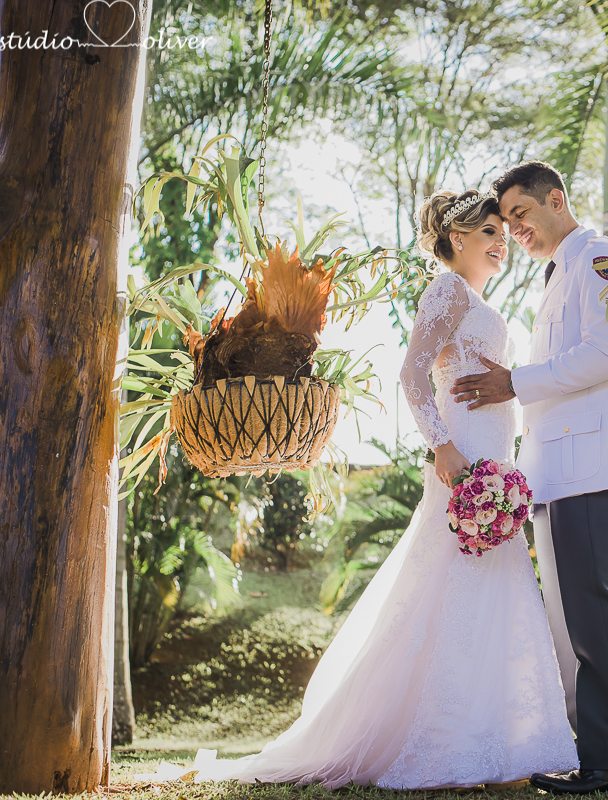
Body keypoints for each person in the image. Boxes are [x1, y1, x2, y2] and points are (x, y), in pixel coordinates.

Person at [137, 189, 578, 790]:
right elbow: (412, 370)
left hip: (492, 462)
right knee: (452, 590)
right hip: (463, 462)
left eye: (504, 233)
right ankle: (447, 741)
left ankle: (494, 742)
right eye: (489, 234)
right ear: (455, 240)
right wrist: (441, 445)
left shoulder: (473, 298)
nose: (502, 243)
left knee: (484, 592)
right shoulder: (448, 289)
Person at [452, 161, 608, 796]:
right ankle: (596, 754)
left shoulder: (601, 258)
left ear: (557, 200)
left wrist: (512, 381)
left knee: (596, 610)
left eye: (522, 214)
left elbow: (605, 356)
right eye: (508, 221)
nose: (515, 229)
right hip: (555, 471)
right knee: (574, 621)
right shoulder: (556, 275)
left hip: (592, 465)